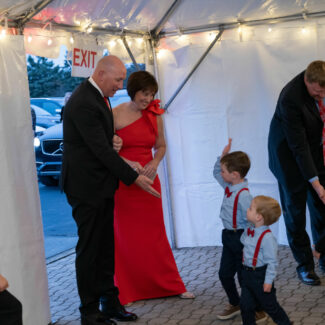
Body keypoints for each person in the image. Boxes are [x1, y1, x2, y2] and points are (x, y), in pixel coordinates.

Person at [60, 56, 160, 325]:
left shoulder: (98, 96)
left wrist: (115, 143)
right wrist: (133, 177)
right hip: (85, 187)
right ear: (101, 74)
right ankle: (89, 312)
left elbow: (103, 142)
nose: (120, 85)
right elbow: (100, 151)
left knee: (105, 247)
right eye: (117, 80)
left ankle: (109, 302)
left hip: (101, 184)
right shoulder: (83, 101)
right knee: (91, 249)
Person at [113, 70, 194, 305]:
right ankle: (127, 290)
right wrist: (128, 165)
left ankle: (169, 284)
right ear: (133, 91)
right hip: (124, 182)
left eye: (151, 94)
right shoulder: (114, 114)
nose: (147, 99)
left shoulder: (154, 115)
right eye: (144, 93)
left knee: (155, 234)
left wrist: (155, 162)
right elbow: (108, 150)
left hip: (149, 179)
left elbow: (161, 146)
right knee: (125, 237)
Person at [268, 60, 325, 286]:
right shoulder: (290, 98)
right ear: (307, 81)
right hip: (289, 160)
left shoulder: (319, 84)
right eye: (318, 92)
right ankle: (305, 266)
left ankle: (322, 254)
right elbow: (298, 146)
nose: (321, 96)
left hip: (315, 153)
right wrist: (316, 183)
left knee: (321, 208)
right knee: (296, 213)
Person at [213, 139, 266, 322]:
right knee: (224, 274)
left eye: (224, 171)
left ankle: (258, 309)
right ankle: (235, 303)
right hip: (228, 237)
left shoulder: (244, 196)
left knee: (245, 278)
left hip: (242, 239)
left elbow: (253, 222)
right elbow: (215, 172)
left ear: (234, 175)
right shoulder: (229, 186)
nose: (220, 174)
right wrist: (223, 156)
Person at [240, 196, 293, 325]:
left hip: (260, 277)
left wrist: (268, 281)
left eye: (251, 208)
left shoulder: (268, 238)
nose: (247, 210)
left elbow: (272, 262)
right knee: (246, 306)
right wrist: (248, 229)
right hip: (246, 274)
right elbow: (243, 241)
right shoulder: (250, 229)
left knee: (271, 307)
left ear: (259, 217)